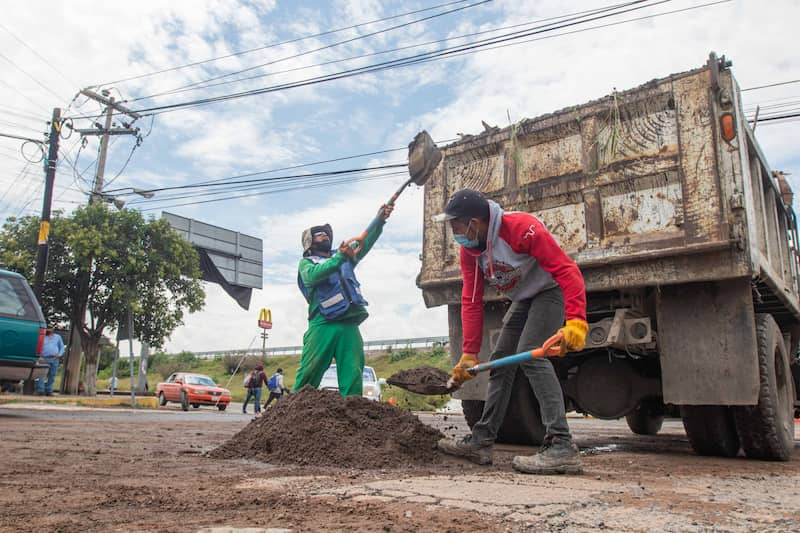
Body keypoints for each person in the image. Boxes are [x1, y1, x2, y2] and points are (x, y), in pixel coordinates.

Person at [433, 189, 588, 475]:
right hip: (523, 298)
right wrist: (469, 354)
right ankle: (481, 441)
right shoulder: (470, 251)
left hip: (549, 291)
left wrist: (576, 321)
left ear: (474, 223)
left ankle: (561, 446)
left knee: (531, 356)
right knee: (501, 363)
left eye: (457, 226)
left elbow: (567, 271)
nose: (455, 233)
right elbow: (471, 300)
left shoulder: (521, 229)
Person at [293, 204, 393, 396]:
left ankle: (352, 412)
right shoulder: (307, 263)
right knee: (309, 371)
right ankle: (289, 411)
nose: (325, 236)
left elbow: (364, 241)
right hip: (322, 323)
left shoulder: (344, 256)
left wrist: (380, 220)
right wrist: (340, 257)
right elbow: (312, 276)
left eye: (326, 234)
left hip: (349, 323)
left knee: (353, 372)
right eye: (319, 234)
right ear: (309, 242)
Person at [36, 328, 65, 396]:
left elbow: (62, 347)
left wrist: (59, 354)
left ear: (53, 329)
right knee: (42, 375)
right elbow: (37, 346)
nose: (48, 329)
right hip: (44, 358)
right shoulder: (42, 336)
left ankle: (49, 390)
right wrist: (39, 357)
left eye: (50, 328)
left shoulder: (57, 337)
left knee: (52, 375)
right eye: (47, 328)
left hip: (55, 359)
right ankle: (40, 390)